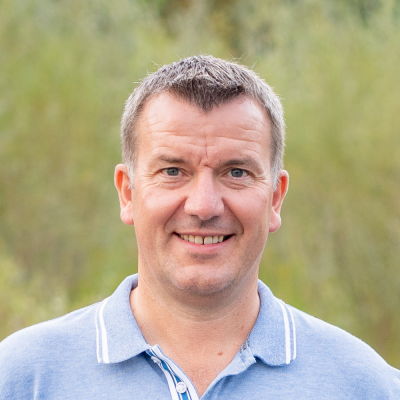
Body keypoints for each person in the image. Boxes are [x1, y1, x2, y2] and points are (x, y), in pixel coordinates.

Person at [0, 55, 399, 399]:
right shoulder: (23, 378)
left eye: (236, 172)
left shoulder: (366, 385)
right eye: (173, 171)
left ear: (275, 198)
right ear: (127, 193)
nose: (204, 206)